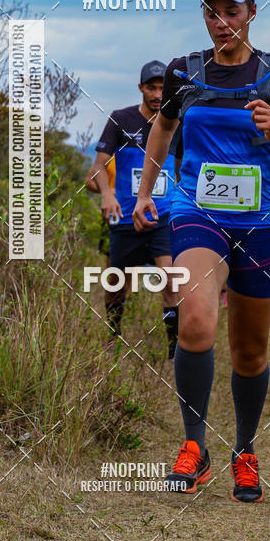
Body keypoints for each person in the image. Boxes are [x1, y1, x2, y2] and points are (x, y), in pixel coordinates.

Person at [132, 0, 270, 502]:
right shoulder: (184, 73)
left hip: (262, 221)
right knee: (194, 320)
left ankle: (244, 451)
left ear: (252, 13)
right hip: (198, 211)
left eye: (231, 11)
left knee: (250, 351)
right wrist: (148, 193)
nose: (221, 22)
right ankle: (195, 447)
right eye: (212, 12)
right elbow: (164, 129)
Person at [88, 61, 182, 355]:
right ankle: (112, 338)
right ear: (141, 88)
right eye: (151, 87)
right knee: (116, 282)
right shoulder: (121, 120)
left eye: (162, 88)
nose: (157, 94)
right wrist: (107, 193)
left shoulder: (178, 122)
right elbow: (97, 167)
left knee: (170, 278)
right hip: (125, 217)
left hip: (163, 216)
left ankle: (173, 350)